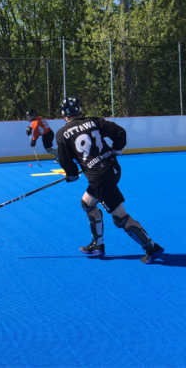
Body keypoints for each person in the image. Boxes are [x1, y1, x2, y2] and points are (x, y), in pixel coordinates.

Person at [56, 96, 164, 263]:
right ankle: (97, 245)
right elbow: (120, 132)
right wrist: (116, 150)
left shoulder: (62, 133)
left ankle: (151, 247)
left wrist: (71, 174)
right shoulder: (94, 121)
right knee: (87, 203)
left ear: (63, 113)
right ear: (79, 109)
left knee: (120, 217)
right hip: (113, 169)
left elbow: (65, 160)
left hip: (100, 179)